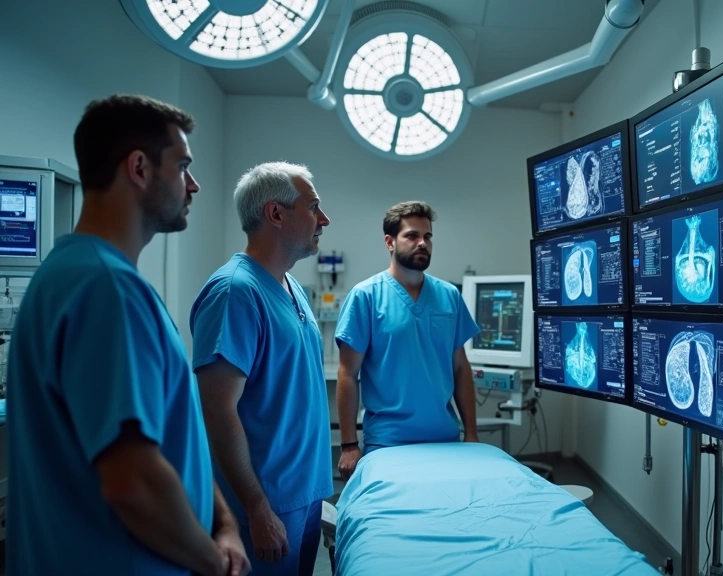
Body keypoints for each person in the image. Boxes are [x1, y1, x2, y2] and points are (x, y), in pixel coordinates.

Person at [6, 94, 250, 576]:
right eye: (182, 166)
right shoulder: (107, 290)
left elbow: (177, 442)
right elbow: (131, 483)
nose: (194, 184)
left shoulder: (69, 274)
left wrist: (223, 521)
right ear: (139, 168)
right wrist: (213, 563)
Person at [189, 161, 334, 575]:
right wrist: (257, 508)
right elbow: (218, 410)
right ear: (275, 214)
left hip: (302, 495)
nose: (324, 219)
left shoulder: (291, 288)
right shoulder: (235, 292)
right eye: (314, 207)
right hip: (263, 504)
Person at [334, 201, 480, 481]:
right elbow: (347, 375)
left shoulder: (449, 296)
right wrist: (350, 445)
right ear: (390, 242)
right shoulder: (365, 297)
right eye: (412, 236)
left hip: (445, 440)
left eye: (427, 236)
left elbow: (461, 368)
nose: (422, 243)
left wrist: (471, 434)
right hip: (388, 444)